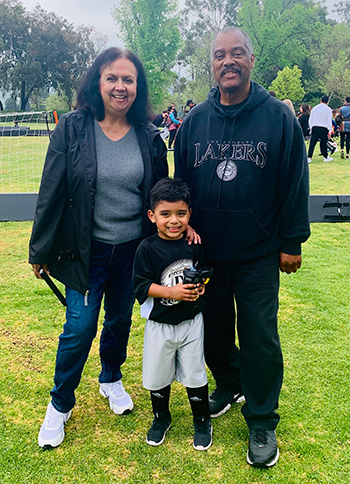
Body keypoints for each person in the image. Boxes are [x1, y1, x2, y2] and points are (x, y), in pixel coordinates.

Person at [174, 27, 310, 468]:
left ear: (251, 60)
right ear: (211, 65)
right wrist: (183, 229)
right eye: (219, 55)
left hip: (258, 252)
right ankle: (229, 383)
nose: (227, 61)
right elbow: (182, 188)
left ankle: (262, 419)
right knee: (212, 331)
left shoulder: (278, 117)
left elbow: (294, 182)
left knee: (258, 336)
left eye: (236, 54)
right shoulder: (194, 122)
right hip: (207, 254)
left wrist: (292, 241)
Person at [29, 47, 168, 449]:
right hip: (84, 251)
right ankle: (59, 404)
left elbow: (159, 191)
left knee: (120, 320)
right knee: (79, 327)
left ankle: (111, 377)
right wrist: (40, 249)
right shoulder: (72, 128)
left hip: (132, 250)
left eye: (128, 79)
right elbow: (51, 191)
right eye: (112, 78)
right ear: (97, 82)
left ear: (137, 88)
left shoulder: (148, 133)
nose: (120, 86)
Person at [133, 177, 212, 451]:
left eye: (181, 213)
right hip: (160, 324)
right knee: (157, 375)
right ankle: (161, 417)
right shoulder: (147, 249)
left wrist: (200, 287)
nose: (174, 221)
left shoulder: (194, 243)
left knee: (195, 374)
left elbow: (204, 272)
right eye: (165, 214)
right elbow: (141, 285)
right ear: (152, 216)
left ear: (189, 214)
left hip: (192, 321)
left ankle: (202, 420)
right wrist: (172, 293)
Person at [308, 95, 333, 163]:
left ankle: (309, 157)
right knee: (323, 143)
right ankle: (325, 156)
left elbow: (310, 119)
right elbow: (329, 120)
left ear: (320, 100)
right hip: (323, 127)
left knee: (312, 143)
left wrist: (311, 127)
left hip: (315, 127)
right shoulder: (328, 109)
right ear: (327, 101)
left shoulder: (315, 108)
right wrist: (330, 130)